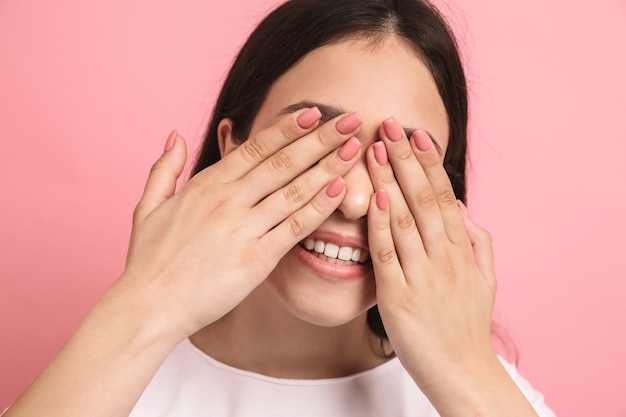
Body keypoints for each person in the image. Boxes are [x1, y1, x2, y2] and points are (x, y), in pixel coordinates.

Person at [4, 0, 556, 416]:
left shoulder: (489, 396)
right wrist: (146, 303)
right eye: (314, 142)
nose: (357, 200)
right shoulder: (105, 381)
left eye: (399, 162)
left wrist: (466, 372)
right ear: (232, 147)